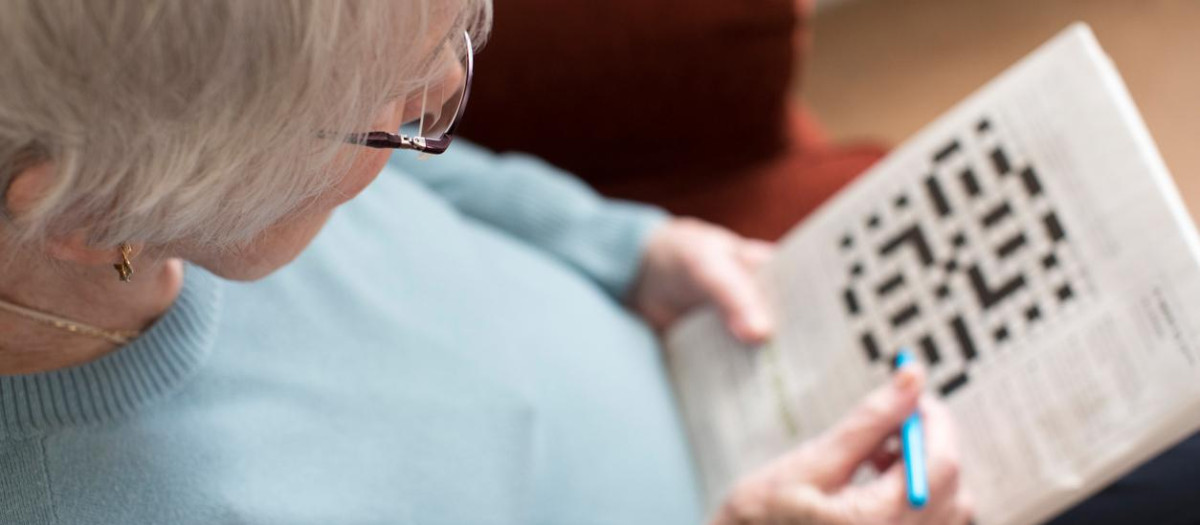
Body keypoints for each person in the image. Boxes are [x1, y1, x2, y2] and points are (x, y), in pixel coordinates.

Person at [0, 1, 971, 523]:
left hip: (710, 371)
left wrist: (627, 248)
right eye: (392, 108)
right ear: (93, 210)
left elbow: (436, 190)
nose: (452, 84)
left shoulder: (206, 194)